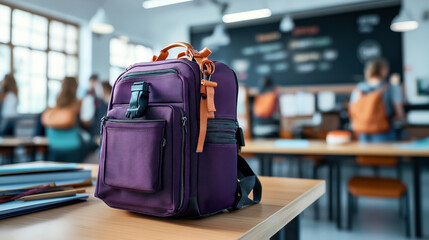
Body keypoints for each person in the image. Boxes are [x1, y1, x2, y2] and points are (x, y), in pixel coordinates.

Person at [349, 59, 404, 142]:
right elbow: (400, 113)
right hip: (384, 131)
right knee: (386, 154)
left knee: (366, 155)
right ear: (383, 70)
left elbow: (352, 111)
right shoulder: (390, 87)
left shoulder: (358, 88)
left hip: (362, 131)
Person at [41, 77, 95, 162]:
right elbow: (87, 122)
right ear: (76, 87)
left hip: (54, 147)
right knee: (94, 147)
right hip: (73, 148)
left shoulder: (53, 110)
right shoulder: (79, 104)